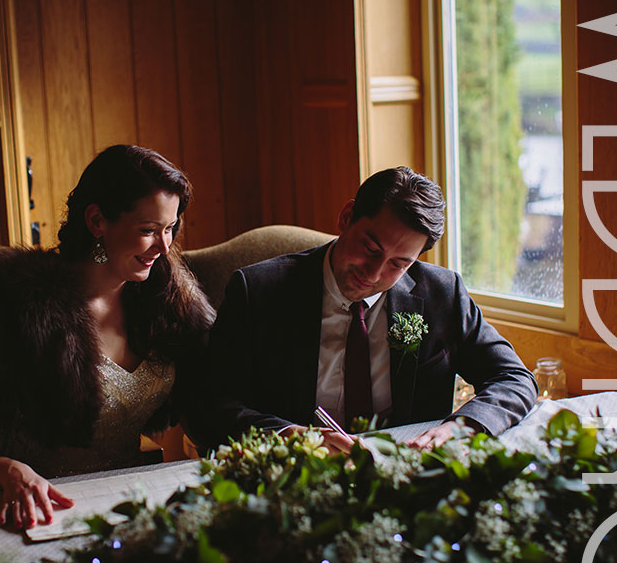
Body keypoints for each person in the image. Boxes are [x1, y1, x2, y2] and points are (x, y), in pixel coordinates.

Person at [0, 145, 215, 530]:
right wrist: (13, 473)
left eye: (170, 228)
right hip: (46, 508)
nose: (165, 246)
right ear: (96, 220)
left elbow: (213, 396)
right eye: (148, 231)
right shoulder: (14, 306)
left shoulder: (170, 301)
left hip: (133, 502)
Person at [188, 166, 536, 455]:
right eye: (370, 248)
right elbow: (206, 404)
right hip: (295, 476)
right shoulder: (258, 291)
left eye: (398, 264)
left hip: (407, 475)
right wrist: (291, 435)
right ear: (346, 216)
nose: (373, 274)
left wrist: (460, 427)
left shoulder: (441, 294)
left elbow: (515, 379)